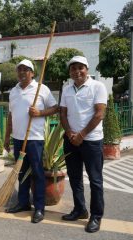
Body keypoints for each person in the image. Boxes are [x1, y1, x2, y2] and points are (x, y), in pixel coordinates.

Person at [4, 59, 58, 223]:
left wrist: (40, 113)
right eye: (19, 70)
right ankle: (23, 203)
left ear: (32, 73)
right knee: (22, 172)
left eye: (26, 70)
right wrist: (7, 137)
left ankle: (39, 208)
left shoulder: (41, 88)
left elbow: (56, 108)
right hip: (19, 138)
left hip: (34, 138)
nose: (22, 72)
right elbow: (10, 116)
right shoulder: (13, 91)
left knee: (37, 173)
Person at [60, 56, 107, 233]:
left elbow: (99, 114)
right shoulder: (66, 89)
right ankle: (80, 209)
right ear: (70, 72)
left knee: (95, 180)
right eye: (73, 69)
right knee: (74, 177)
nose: (77, 71)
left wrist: (82, 135)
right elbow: (63, 114)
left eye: (81, 68)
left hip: (92, 141)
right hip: (71, 140)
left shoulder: (98, 87)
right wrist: (70, 133)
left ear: (87, 69)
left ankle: (96, 216)